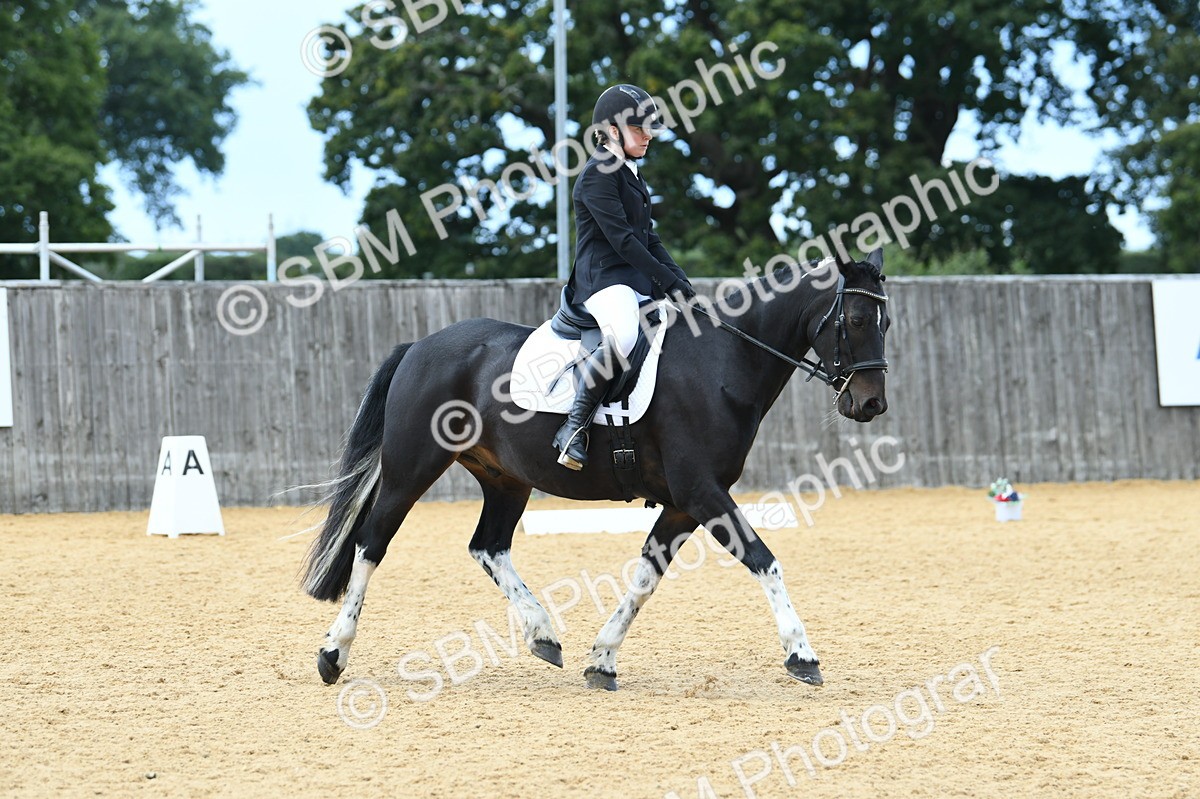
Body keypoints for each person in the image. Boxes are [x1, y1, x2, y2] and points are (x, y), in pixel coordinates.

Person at [552, 84, 696, 470]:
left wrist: (681, 281)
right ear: (613, 130)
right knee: (626, 334)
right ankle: (574, 428)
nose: (648, 135)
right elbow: (623, 242)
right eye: (639, 129)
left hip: (632, 279)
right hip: (602, 282)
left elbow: (649, 237)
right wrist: (665, 281)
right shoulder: (598, 175)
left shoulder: (631, 172)